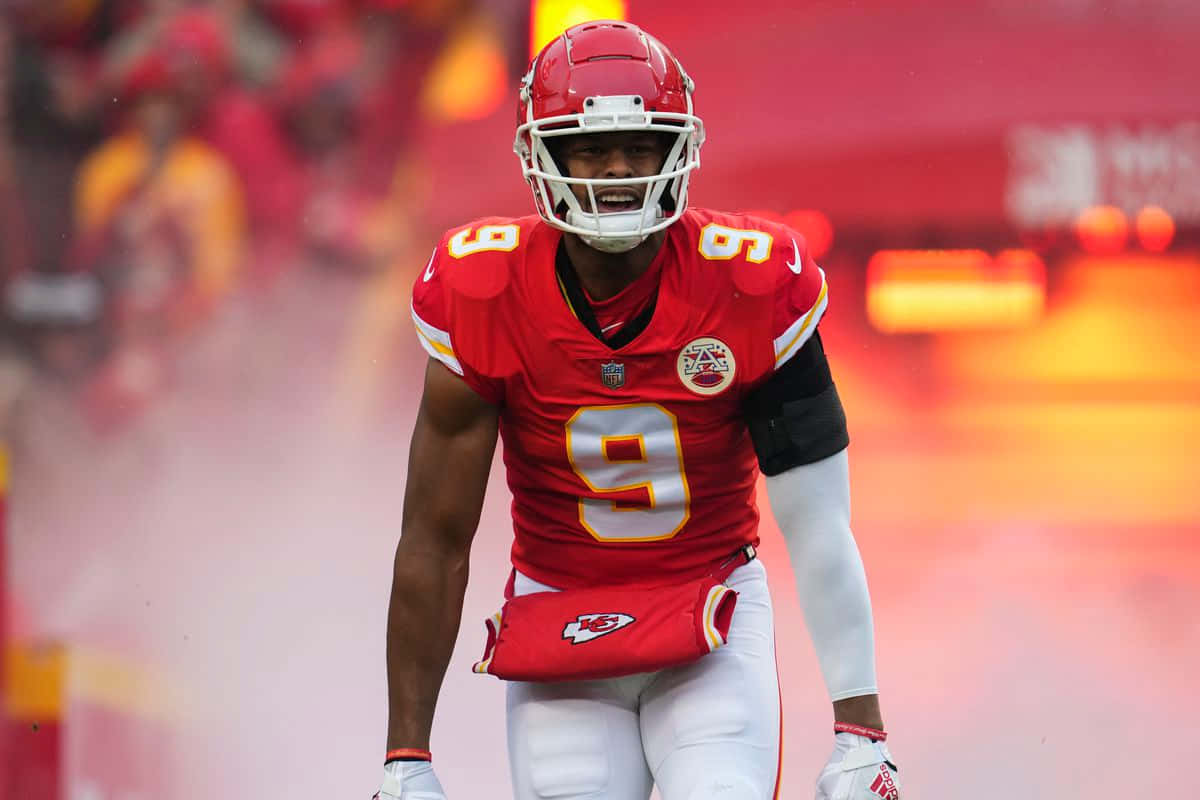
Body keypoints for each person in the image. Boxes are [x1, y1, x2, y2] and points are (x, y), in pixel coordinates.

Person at [380, 20, 902, 800]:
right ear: (543, 156)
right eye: (590, 148)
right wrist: (406, 757)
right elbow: (434, 538)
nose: (618, 170)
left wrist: (862, 728)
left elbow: (820, 525)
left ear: (678, 149)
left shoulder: (752, 281)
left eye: (639, 146)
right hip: (561, 623)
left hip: (711, 616)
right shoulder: (483, 288)